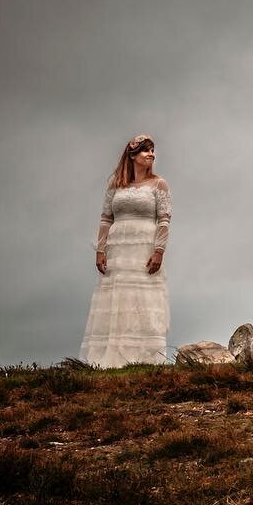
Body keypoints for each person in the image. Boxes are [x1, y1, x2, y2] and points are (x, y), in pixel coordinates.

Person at [81, 134, 172, 367]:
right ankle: (110, 358)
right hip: (118, 248)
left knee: (142, 298)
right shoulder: (115, 184)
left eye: (152, 150)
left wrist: (159, 250)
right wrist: (100, 250)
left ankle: (145, 356)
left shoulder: (158, 184)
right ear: (132, 156)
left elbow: (164, 219)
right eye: (145, 150)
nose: (151, 154)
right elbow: (105, 217)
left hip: (143, 246)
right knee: (117, 298)